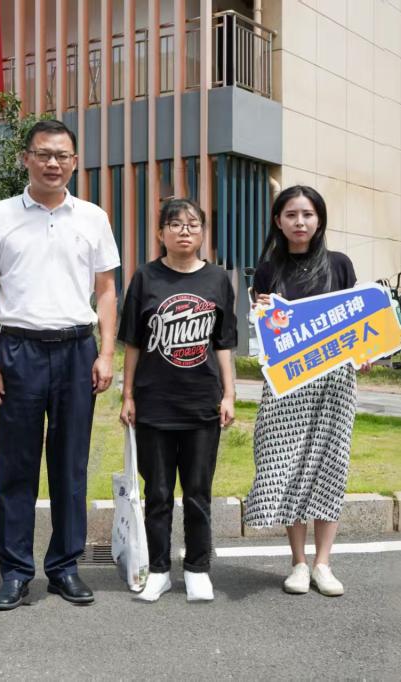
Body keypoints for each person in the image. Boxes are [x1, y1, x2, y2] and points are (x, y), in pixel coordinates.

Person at [0, 119, 120, 611]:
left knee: (71, 466)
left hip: (77, 351)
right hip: (19, 352)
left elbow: (106, 292)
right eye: (43, 154)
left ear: (75, 162)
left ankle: (65, 567)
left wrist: (105, 352)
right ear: (26, 159)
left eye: (62, 155)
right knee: (16, 467)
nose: (53, 163)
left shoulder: (93, 218)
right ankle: (15, 571)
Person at [243, 185, 362, 597]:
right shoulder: (267, 270)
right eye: (291, 214)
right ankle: (297, 562)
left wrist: (364, 352)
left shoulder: (340, 265)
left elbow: (356, 321)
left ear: (319, 219)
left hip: (334, 382)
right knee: (287, 466)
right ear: (278, 221)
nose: (300, 222)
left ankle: (323, 564)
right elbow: (266, 332)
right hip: (287, 383)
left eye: (307, 214)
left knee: (330, 466)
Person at [117, 198, 237, 603]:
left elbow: (224, 343)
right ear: (160, 233)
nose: (184, 230)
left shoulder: (217, 279)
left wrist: (229, 395)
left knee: (199, 491)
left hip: (202, 402)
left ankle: (198, 569)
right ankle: (159, 570)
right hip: (155, 403)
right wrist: (128, 395)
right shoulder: (145, 277)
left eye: (193, 224)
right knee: (158, 493)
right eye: (175, 224)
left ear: (203, 232)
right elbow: (133, 342)